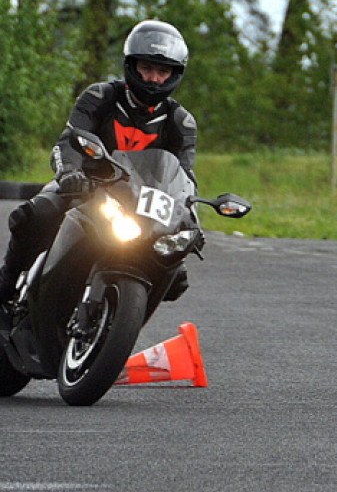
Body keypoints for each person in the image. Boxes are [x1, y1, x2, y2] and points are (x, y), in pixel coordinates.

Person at [0, 19, 196, 323]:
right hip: (84, 186)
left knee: (175, 274)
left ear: (175, 74)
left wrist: (189, 218)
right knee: (35, 215)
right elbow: (69, 141)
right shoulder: (100, 97)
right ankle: (6, 285)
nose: (154, 79)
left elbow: (184, 177)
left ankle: (116, 332)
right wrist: (69, 174)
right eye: (147, 68)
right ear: (131, 65)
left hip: (137, 204)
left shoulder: (180, 122)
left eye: (162, 71)